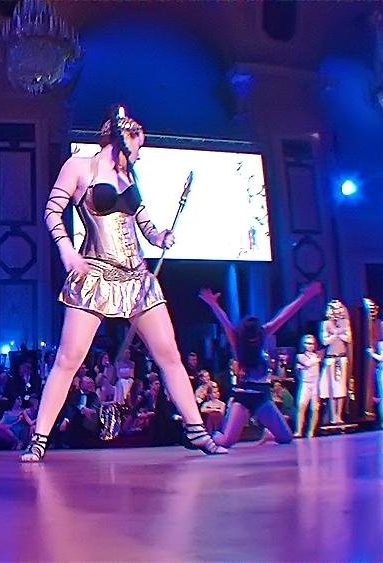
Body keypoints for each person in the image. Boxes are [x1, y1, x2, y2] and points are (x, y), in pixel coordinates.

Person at [21, 105, 227, 461]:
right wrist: (67, 250)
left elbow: (141, 222)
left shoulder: (129, 175)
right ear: (121, 139)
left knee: (170, 355)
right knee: (68, 359)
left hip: (137, 278)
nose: (139, 154)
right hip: (95, 273)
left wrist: (159, 236)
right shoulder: (80, 167)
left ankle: (197, 430)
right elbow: (52, 212)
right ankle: (39, 439)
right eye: (138, 145)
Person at [197, 282, 322, 448]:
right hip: (242, 397)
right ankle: (210, 436)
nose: (254, 341)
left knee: (286, 437)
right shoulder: (237, 340)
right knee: (227, 441)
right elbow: (224, 320)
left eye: (256, 337)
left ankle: (268, 433)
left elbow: (284, 316)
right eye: (251, 338)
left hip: (262, 396)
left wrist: (305, 296)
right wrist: (212, 303)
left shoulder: (262, 333)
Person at [320, 300, 352, 424]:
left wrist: (337, 333)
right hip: (331, 359)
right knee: (332, 389)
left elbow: (348, 338)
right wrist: (337, 333)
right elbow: (325, 341)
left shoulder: (345, 323)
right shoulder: (325, 324)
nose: (337, 311)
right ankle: (333, 416)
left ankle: (339, 415)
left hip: (341, 358)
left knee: (341, 388)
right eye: (335, 309)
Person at [293, 334, 323, 438]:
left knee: (314, 409)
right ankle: (298, 431)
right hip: (305, 384)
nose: (309, 346)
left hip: (315, 384)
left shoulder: (316, 356)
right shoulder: (300, 356)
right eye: (307, 343)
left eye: (311, 343)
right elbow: (307, 363)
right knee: (301, 406)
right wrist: (318, 359)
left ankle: (311, 432)